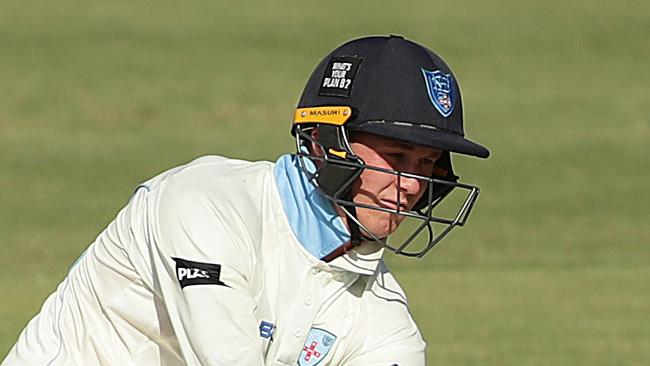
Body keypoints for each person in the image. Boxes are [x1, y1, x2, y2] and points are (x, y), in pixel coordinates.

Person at [2, 35, 489, 366]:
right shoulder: (204, 207)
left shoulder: (380, 312)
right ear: (325, 141)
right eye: (395, 155)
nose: (410, 185)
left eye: (427, 165)